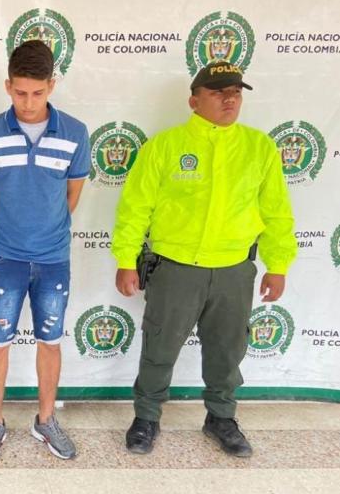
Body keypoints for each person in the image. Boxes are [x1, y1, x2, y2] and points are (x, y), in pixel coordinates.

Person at [111, 61, 297, 457]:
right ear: (194, 101)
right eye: (218, 92)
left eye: (236, 92)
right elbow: (135, 208)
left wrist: (278, 264)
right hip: (175, 269)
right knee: (160, 347)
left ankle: (221, 417)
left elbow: (276, 212)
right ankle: (146, 417)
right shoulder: (165, 146)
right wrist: (126, 258)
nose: (229, 99)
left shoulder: (259, 148)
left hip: (233, 271)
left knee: (227, 351)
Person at [0, 40, 90, 462]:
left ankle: (46, 420)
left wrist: (46, 231)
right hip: (5, 259)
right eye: (20, 92)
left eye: (38, 92)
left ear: (52, 86)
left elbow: (72, 195)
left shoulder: (75, 133)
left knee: (50, 341)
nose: (29, 102)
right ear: (8, 86)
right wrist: (2, 233)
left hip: (54, 258)